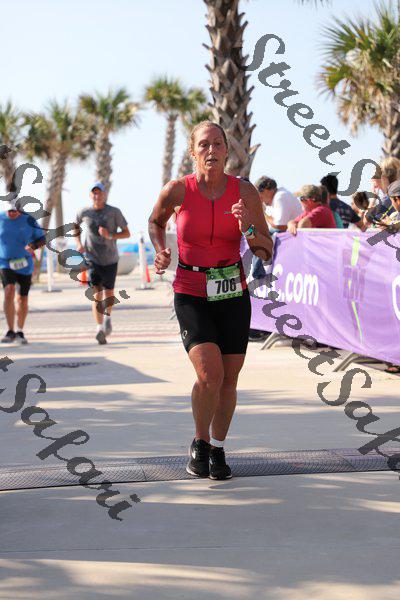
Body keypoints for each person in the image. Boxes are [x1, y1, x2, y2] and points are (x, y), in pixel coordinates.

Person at [148, 121, 272, 480]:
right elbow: (155, 222)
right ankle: (200, 441)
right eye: (204, 145)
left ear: (227, 150)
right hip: (191, 290)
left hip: (232, 291)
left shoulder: (244, 192)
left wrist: (248, 227)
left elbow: (265, 248)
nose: (212, 150)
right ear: (193, 151)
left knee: (229, 379)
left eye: (218, 144)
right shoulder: (178, 190)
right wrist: (160, 249)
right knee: (209, 374)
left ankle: (217, 447)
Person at [75, 183, 130, 345]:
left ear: (105, 195)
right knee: (97, 293)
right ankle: (99, 329)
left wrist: (110, 235)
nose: (97, 196)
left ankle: (107, 319)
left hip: (110, 259)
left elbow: (127, 233)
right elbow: (75, 226)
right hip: (92, 259)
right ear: (90, 195)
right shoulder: (84, 212)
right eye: (94, 193)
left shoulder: (114, 212)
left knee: (109, 293)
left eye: (99, 193)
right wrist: (78, 243)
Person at [0, 198, 45, 344]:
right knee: (9, 290)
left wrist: (33, 246)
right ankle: (10, 331)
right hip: (5, 263)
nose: (12, 213)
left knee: (22, 298)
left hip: (25, 264)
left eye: (15, 211)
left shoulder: (29, 220)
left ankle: (20, 331)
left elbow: (42, 239)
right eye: (9, 211)